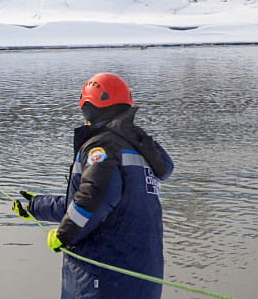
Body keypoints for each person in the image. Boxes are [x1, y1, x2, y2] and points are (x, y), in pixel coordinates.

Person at [12, 72, 174, 299]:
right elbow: (91, 203)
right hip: (142, 276)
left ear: (90, 107)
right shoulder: (140, 149)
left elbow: (92, 201)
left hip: (103, 278)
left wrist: (64, 235)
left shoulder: (103, 148)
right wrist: (36, 206)